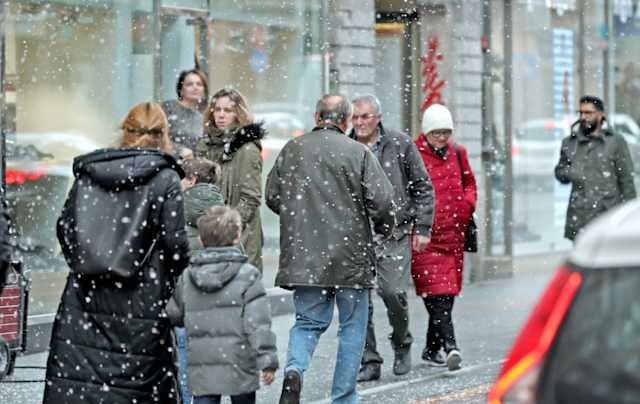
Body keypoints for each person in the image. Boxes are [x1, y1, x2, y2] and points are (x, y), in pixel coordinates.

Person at [43, 102, 190, 403]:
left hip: (85, 296)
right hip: (143, 302)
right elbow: (176, 247)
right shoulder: (165, 179)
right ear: (164, 134)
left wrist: (89, 262)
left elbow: (65, 228)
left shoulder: (90, 173)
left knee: (82, 386)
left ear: (125, 130)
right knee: (136, 389)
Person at [266, 94, 396, 404]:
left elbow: (272, 196)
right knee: (352, 327)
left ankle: (295, 369)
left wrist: (301, 220)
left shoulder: (292, 150)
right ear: (347, 120)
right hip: (350, 257)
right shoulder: (358, 153)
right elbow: (383, 201)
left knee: (308, 322)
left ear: (316, 116)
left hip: (304, 256)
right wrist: (384, 228)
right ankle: (344, 397)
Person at [349, 95, 434, 382]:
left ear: (378, 117)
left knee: (393, 292)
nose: (359, 123)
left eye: (365, 116)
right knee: (359, 300)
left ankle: (402, 343)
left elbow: (423, 186)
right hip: (356, 234)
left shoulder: (399, 143)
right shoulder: (346, 146)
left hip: (393, 231)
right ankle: (369, 359)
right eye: (355, 117)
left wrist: (423, 227)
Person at [167, 206, 278, 404]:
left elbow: (174, 315)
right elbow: (258, 324)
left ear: (201, 240)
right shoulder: (249, 276)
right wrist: (267, 361)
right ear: (237, 237)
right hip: (240, 364)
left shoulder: (188, 277)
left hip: (202, 366)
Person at [412, 103, 477, 372]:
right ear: (426, 132)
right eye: (436, 132)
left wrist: (466, 205)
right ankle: (451, 346)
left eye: (445, 132)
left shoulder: (458, 153)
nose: (441, 137)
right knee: (436, 293)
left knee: (446, 295)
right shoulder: (414, 154)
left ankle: (431, 347)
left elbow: (469, 182)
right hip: (425, 237)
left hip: (454, 236)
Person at [196, 88, 265, 271]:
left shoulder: (247, 149)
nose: (220, 115)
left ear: (238, 114)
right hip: (209, 239)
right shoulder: (206, 146)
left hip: (239, 239)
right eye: (217, 109)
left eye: (227, 110)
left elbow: (250, 198)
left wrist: (226, 229)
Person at [176, 157, 225, 403]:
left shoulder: (175, 212)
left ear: (192, 180)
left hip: (187, 302)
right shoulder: (224, 213)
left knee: (184, 351)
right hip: (217, 305)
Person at [555, 95, 636, 241]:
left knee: (610, 260)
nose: (583, 117)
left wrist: (630, 220)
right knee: (583, 261)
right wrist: (571, 172)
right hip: (580, 215)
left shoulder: (615, 142)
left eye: (588, 113)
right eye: (581, 113)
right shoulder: (570, 142)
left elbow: (627, 181)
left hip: (608, 215)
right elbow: (560, 172)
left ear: (600, 114)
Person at [162, 69, 208, 153]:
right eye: (190, 84)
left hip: (191, 164)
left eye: (199, 84)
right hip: (168, 161)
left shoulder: (201, 118)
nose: (195, 87)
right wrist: (179, 150)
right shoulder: (169, 107)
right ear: (181, 90)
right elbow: (157, 136)